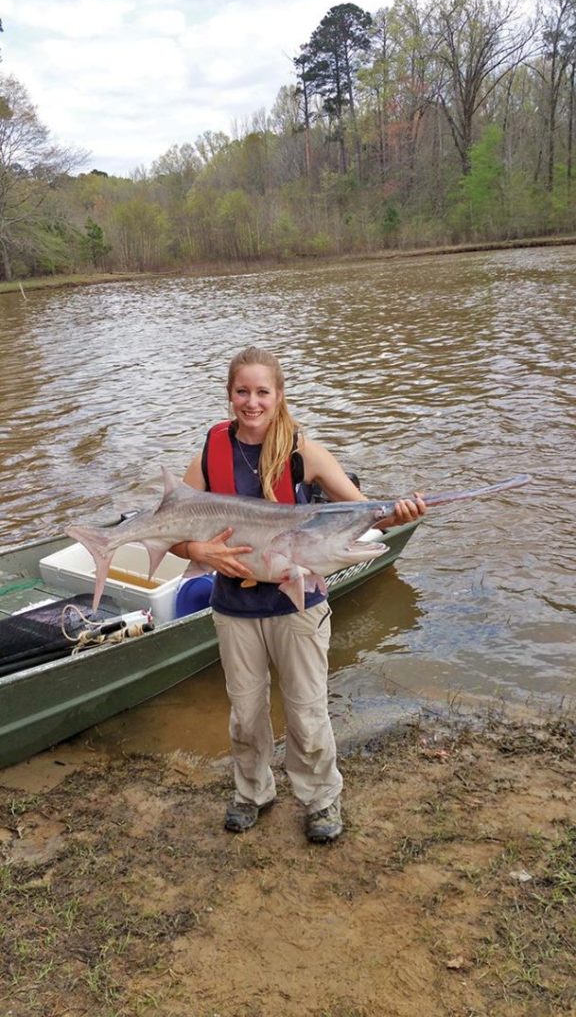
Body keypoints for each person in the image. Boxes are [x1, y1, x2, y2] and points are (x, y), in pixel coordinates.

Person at [171, 346, 426, 843]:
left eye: (262, 392)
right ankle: (252, 793)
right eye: (242, 391)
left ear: (279, 395)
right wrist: (197, 548)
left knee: (307, 712)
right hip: (234, 607)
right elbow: (170, 531)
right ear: (230, 395)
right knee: (245, 714)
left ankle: (320, 800)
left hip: (298, 605)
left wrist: (402, 511)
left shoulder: (302, 452)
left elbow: (366, 512)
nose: (252, 402)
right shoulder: (208, 454)